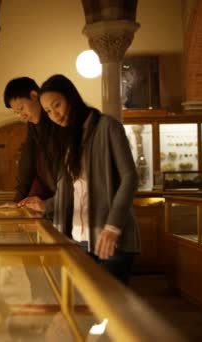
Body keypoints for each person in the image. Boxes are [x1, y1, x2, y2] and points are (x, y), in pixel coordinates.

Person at [37, 74, 141, 285]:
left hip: (111, 238)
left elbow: (129, 177)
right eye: (48, 111)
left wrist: (113, 226)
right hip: (79, 238)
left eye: (57, 105)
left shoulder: (107, 126)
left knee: (110, 308)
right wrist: (43, 205)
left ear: (71, 98)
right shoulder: (68, 139)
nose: (54, 115)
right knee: (85, 306)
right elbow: (73, 191)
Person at [0, 77, 64, 212]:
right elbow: (27, 163)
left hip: (68, 198)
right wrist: (17, 201)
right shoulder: (33, 126)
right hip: (54, 200)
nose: (22, 115)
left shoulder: (58, 121)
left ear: (34, 95)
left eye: (21, 108)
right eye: (17, 112)